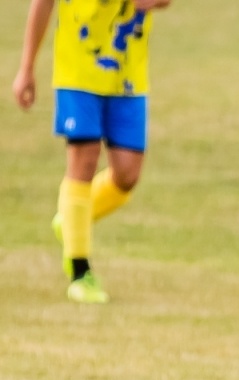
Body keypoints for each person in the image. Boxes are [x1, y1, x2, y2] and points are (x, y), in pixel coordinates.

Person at [11, 0, 171, 304]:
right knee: (83, 160)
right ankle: (80, 271)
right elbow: (43, 4)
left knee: (127, 175)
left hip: (127, 75)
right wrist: (26, 68)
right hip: (79, 71)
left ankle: (72, 221)